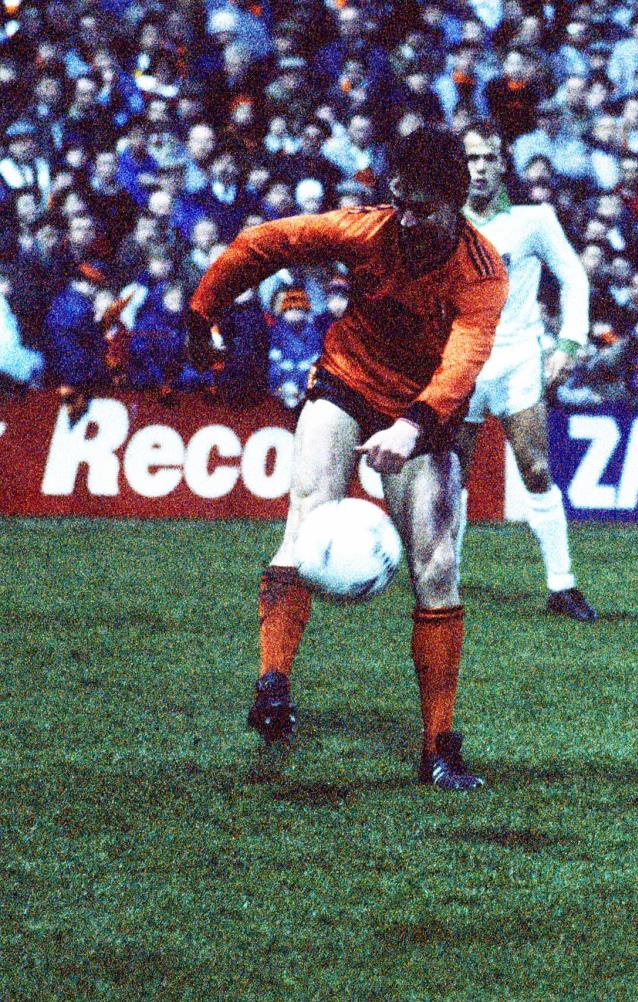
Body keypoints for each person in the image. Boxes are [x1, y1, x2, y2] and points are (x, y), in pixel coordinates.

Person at [187, 126, 508, 790]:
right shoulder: (367, 231)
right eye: (402, 203)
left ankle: (438, 747)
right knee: (306, 515)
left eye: (423, 208)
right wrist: (202, 312)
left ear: (455, 202)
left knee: (439, 565)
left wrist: (414, 426)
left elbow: (463, 363)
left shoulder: (482, 272)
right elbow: (265, 243)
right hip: (347, 379)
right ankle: (272, 684)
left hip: (423, 407)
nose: (408, 218)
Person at [454, 122, 597, 622]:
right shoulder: (442, 220)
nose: (481, 167)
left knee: (536, 469)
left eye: (490, 157)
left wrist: (568, 344)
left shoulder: (533, 220)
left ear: (502, 163)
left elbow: (573, 277)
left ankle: (562, 584)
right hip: (460, 362)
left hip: (517, 358)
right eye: (473, 158)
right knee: (452, 476)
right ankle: (442, 578)